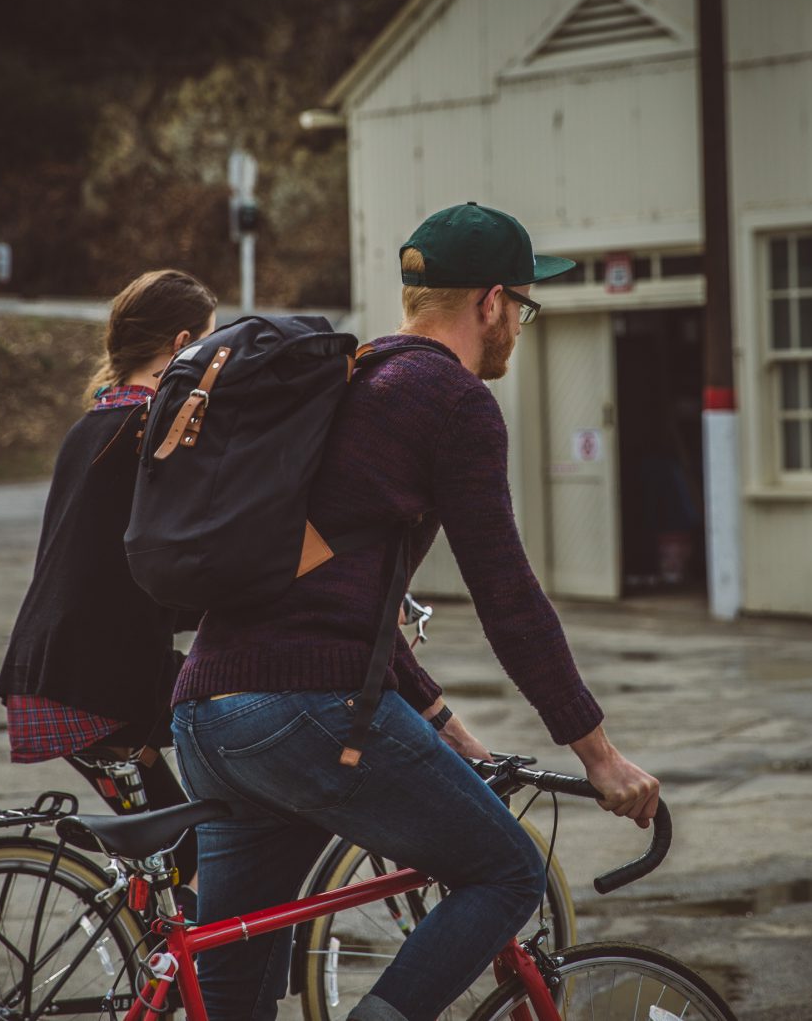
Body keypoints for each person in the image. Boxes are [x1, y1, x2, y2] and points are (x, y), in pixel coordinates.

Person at [170, 203, 660, 1021]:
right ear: (493, 303)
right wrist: (599, 754)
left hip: (209, 713)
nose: (518, 328)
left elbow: (350, 608)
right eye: (524, 310)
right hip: (303, 711)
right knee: (508, 872)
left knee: (230, 993)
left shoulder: (354, 378)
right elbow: (507, 595)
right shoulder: (452, 401)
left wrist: (447, 729)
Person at [0, 269, 217, 881]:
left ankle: (160, 949)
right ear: (180, 345)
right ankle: (166, 967)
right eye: (206, 345)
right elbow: (180, 556)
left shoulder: (98, 424)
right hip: (89, 685)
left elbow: (119, 564)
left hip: (59, 671)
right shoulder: (148, 433)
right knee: (187, 852)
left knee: (172, 850)